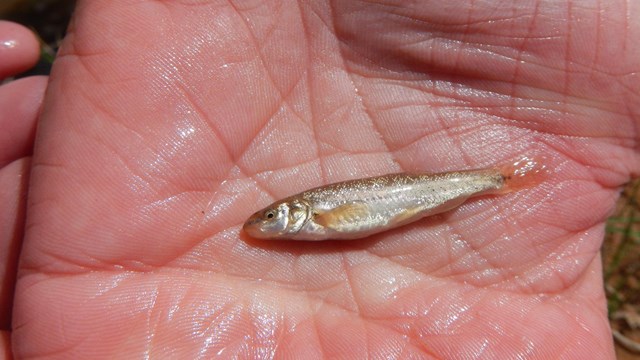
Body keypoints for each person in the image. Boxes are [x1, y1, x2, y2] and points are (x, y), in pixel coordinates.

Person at [2, 0, 639, 357]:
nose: (271, 226)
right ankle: (490, 180)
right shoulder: (305, 223)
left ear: (297, 218)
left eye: (273, 219)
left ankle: (491, 180)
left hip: (433, 190)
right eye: (272, 220)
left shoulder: (313, 219)